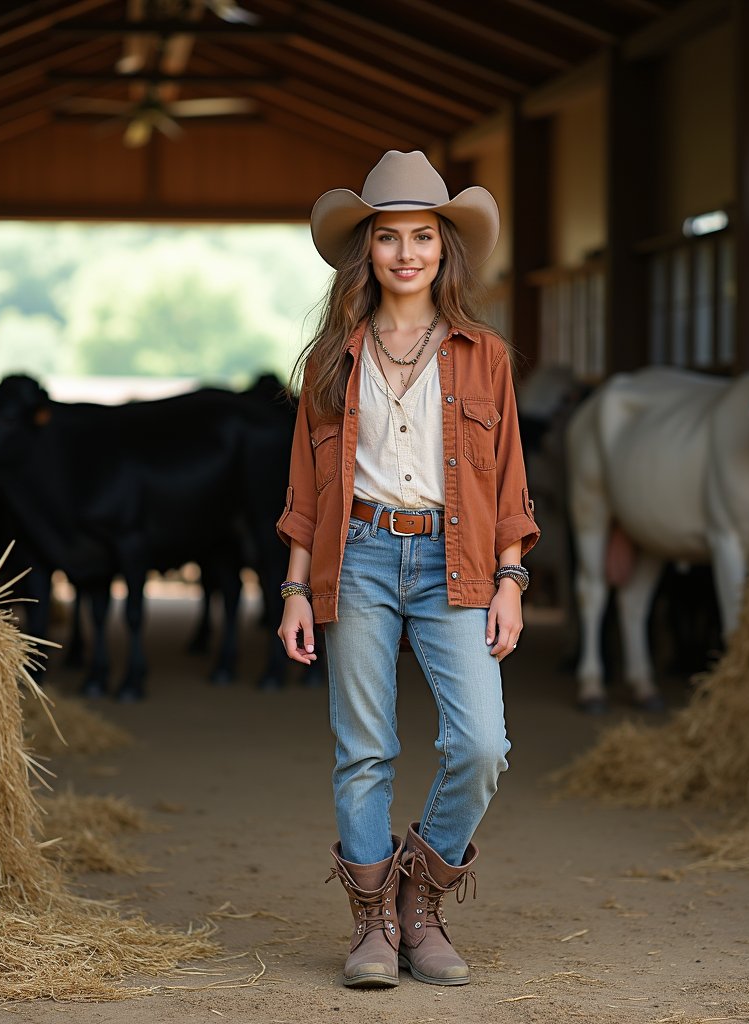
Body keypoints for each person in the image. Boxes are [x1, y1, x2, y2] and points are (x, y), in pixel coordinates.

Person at [276, 150, 539, 989]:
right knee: (364, 753)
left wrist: (510, 579)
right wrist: (292, 588)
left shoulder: (484, 354)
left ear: (444, 247)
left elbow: (508, 481)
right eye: (389, 237)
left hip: (453, 561)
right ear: (368, 251)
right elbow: (306, 486)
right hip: (353, 557)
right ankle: (373, 929)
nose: (406, 252)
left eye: (422, 235)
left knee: (482, 744)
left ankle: (420, 896)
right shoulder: (331, 357)